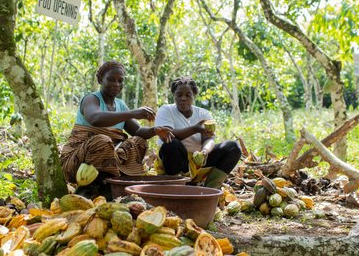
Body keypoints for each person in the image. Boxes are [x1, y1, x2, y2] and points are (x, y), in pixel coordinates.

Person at [60, 60, 174, 199]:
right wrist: (132, 113)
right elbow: (95, 118)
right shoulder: (91, 99)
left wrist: (156, 130)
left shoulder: (120, 105)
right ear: (101, 79)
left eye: (120, 81)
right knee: (102, 141)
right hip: (77, 162)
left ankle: (119, 186)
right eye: (111, 79)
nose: (116, 84)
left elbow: (138, 132)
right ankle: (89, 191)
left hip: (108, 161)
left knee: (138, 142)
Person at [154, 76, 241, 189]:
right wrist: (195, 128)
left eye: (188, 95)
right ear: (174, 95)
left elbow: (209, 139)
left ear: (194, 95)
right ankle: (174, 186)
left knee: (233, 147)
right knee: (171, 144)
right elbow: (166, 136)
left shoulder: (203, 114)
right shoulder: (166, 110)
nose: (183, 98)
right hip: (174, 162)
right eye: (179, 95)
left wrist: (205, 152)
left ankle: (211, 189)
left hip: (197, 162)